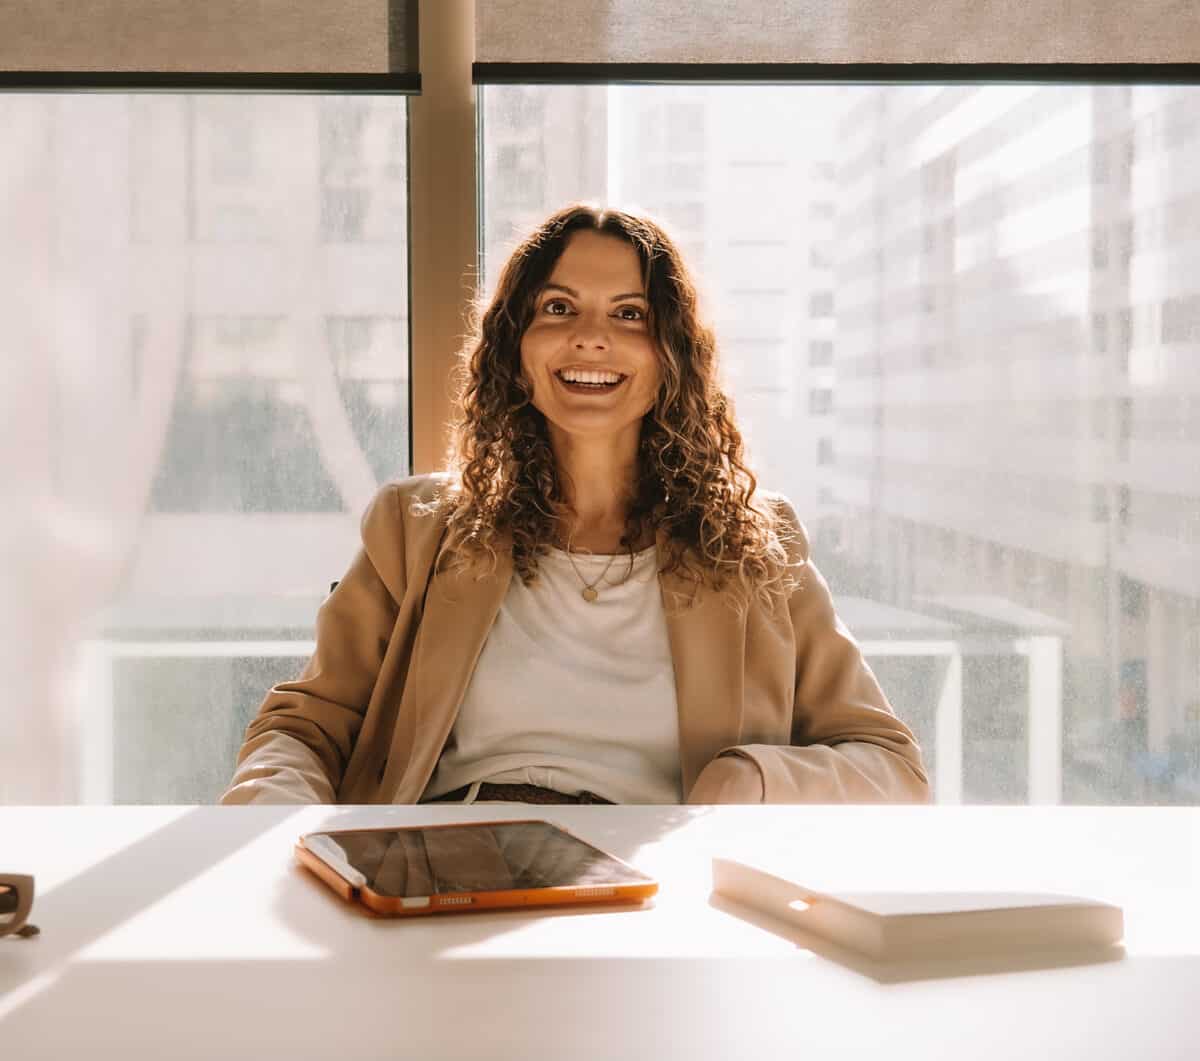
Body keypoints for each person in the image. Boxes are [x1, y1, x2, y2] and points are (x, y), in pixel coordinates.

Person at [220, 203, 930, 806]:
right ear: (515, 347)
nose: (592, 336)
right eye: (558, 308)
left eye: (630, 314)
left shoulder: (755, 544)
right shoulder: (415, 529)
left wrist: (755, 778)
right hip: (443, 876)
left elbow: (892, 766)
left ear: (672, 356)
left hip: (655, 896)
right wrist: (279, 820)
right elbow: (304, 726)